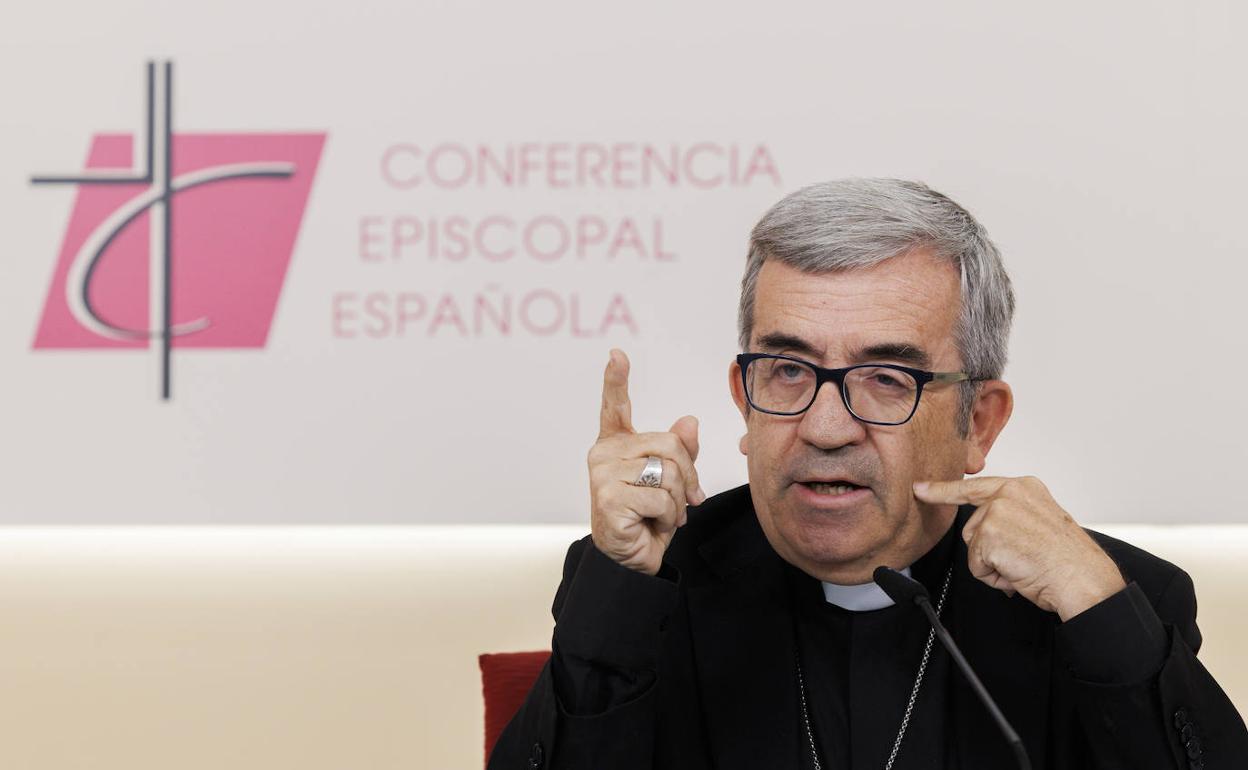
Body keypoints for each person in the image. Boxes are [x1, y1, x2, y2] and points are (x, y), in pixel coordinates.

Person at [487, 179, 1248, 769]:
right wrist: (617, 596)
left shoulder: (1100, 602)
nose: (824, 427)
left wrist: (1101, 613)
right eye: (787, 370)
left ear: (979, 421)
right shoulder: (650, 588)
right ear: (742, 402)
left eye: (886, 377)